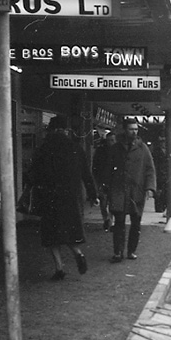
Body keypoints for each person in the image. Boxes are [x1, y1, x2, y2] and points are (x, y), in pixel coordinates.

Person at [30, 115, 97, 280]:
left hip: (49, 197)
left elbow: (33, 174)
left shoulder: (44, 148)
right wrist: (93, 194)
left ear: (51, 130)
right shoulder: (75, 148)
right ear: (66, 130)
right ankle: (78, 253)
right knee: (69, 230)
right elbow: (86, 174)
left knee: (51, 235)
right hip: (71, 197)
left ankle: (59, 268)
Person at [106, 117, 157, 262]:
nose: (134, 132)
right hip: (119, 190)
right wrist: (107, 188)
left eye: (136, 129)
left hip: (137, 190)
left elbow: (150, 169)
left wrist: (150, 188)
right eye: (131, 129)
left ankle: (131, 251)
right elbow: (108, 169)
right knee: (119, 222)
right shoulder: (116, 148)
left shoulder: (143, 149)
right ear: (124, 130)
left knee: (136, 222)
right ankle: (118, 252)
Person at [92, 131, 116, 230]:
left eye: (113, 140)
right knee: (104, 202)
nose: (111, 142)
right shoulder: (101, 152)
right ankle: (107, 219)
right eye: (110, 140)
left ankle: (109, 220)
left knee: (110, 202)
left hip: (112, 181)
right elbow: (95, 167)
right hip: (104, 179)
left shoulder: (116, 151)